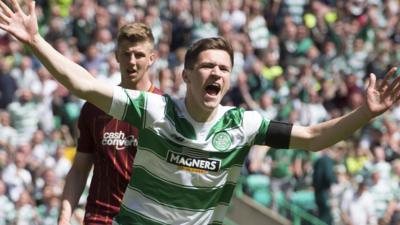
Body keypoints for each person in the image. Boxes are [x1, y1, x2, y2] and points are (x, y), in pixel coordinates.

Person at [1, 1, 400, 224]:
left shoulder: (242, 125)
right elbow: (82, 84)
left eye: (224, 68)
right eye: (208, 66)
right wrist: (36, 40)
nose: (217, 73)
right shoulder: (155, 109)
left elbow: (314, 139)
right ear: (187, 74)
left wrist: (364, 114)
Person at [58, 23, 161, 224]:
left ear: (151, 58)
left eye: (139, 55)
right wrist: (63, 217)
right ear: (116, 56)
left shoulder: (165, 109)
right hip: (100, 218)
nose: (132, 61)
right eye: (126, 54)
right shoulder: (95, 107)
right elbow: (80, 169)